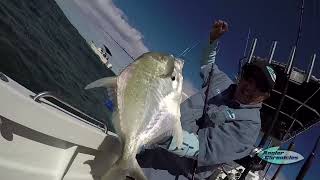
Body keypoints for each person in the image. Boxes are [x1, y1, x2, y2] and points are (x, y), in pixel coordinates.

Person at [136, 20, 277, 180]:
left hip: (172, 172)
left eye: (259, 86)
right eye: (248, 78)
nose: (249, 87)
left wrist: (158, 132)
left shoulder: (250, 126)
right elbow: (207, 64)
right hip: (147, 147)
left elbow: (203, 148)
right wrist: (213, 41)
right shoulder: (222, 82)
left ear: (265, 96)